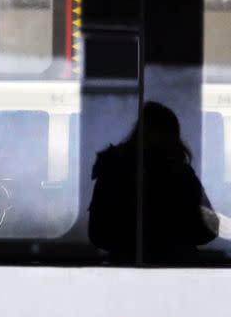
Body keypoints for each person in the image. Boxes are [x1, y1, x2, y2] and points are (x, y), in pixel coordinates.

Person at [88, 101, 218, 262]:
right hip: (177, 266)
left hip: (125, 265)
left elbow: (98, 233)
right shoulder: (182, 176)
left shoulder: (113, 170)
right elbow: (209, 229)